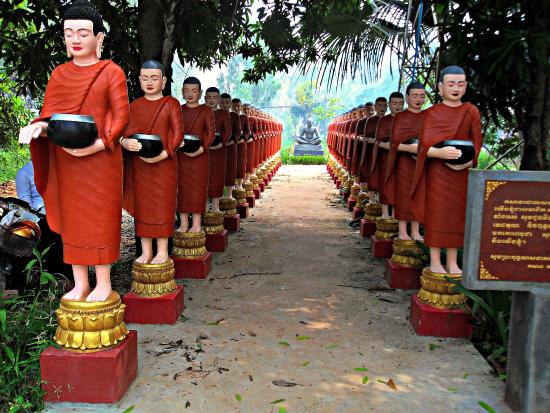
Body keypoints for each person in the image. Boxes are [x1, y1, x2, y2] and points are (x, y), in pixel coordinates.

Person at [18, 0, 129, 302]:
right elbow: (49, 116)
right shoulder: (59, 75)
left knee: (101, 219)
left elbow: (120, 117)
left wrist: (98, 144)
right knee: (74, 221)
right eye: (69, 34)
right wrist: (38, 128)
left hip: (102, 161)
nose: (76, 40)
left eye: (83, 32)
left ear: (99, 38)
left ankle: (103, 283)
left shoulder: (111, 72)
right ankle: (80, 282)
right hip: (67, 161)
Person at [411, 66, 482, 274]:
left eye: (460, 84)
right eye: (450, 84)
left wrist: (468, 162)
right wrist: (439, 154)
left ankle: (452, 261)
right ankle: (434, 260)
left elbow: (477, 143)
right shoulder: (431, 113)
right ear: (440, 87)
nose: (455, 88)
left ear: (466, 86)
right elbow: (423, 146)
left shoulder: (471, 111)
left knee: (455, 216)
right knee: (437, 214)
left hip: (460, 175)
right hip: (438, 174)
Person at [122, 60, 183, 264]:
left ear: (163, 81)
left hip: (164, 165)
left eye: (154, 78)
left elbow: (178, 134)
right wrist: (124, 142)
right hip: (140, 166)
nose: (150, 82)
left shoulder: (171, 104)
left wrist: (165, 153)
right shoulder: (134, 107)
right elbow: (123, 133)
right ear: (139, 81)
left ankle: (163, 251)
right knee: (144, 208)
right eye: (145, 78)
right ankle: (146, 251)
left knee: (162, 207)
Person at [385, 82, 426, 240]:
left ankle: (415, 231)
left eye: (422, 96)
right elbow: (395, 143)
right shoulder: (400, 117)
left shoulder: (427, 116)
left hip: (421, 163)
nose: (418, 99)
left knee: (418, 195)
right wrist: (413, 149)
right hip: (404, 162)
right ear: (407, 97)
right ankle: (402, 231)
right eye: (415, 96)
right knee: (403, 195)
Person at [177, 77, 215, 233]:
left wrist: (201, 149)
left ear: (200, 93)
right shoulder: (178, 110)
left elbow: (211, 133)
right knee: (182, 189)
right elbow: (173, 130)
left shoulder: (205, 111)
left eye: (193, 91)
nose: (190, 94)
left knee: (197, 190)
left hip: (200, 157)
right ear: (182, 92)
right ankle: (184, 222)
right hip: (181, 157)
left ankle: (197, 224)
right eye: (187, 91)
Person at [370, 92, 404, 219]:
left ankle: (396, 215)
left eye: (401, 103)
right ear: (389, 105)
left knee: (400, 187)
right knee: (386, 185)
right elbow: (379, 141)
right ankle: (385, 214)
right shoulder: (384, 121)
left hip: (404, 159)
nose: (398, 106)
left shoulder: (407, 119)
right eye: (394, 103)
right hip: (387, 158)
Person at [204, 87, 231, 212]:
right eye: (209, 97)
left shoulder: (223, 114)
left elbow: (228, 132)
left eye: (214, 97)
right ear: (204, 98)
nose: (211, 100)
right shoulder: (201, 112)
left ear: (218, 99)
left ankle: (215, 207)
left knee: (216, 178)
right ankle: (203, 208)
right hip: (203, 151)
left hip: (219, 151)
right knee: (203, 178)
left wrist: (220, 144)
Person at [220, 93, 239, 199]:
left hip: (231, 147)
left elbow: (237, 133)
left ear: (230, 104)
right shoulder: (214, 114)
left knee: (230, 170)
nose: (224, 105)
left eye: (227, 103)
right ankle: (220, 194)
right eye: (222, 102)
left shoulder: (234, 116)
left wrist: (230, 142)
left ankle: (229, 194)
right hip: (218, 148)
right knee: (218, 170)